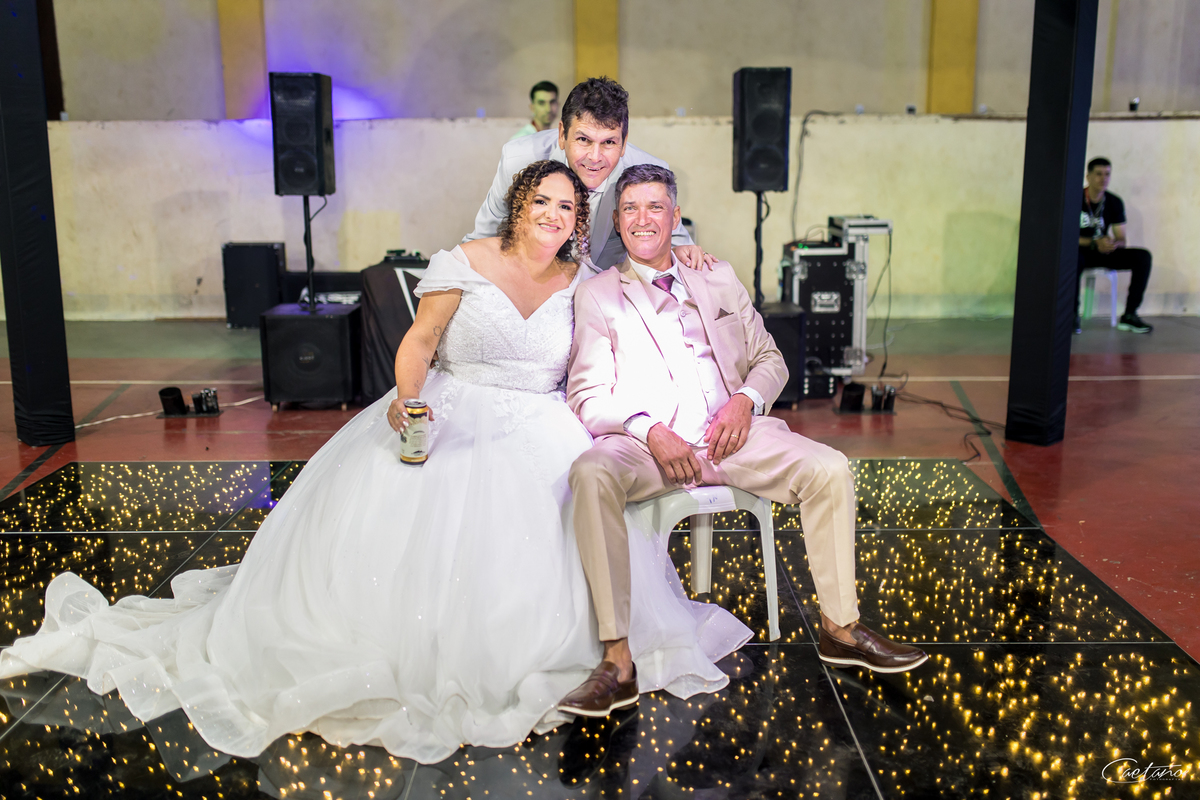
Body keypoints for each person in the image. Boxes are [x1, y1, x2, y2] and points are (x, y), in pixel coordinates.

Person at [0, 161, 750, 764]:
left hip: (544, 425)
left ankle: (594, 653)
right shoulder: (466, 262)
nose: (554, 215)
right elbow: (421, 341)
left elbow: (647, 282)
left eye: (567, 207)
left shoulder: (583, 282)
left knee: (561, 527)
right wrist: (408, 398)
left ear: (578, 222)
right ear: (519, 206)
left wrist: (685, 249)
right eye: (542, 202)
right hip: (449, 410)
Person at [557, 165, 928, 716]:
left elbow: (770, 359)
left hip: (734, 438)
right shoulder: (597, 294)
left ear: (675, 217)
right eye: (630, 208)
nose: (642, 219)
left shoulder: (716, 276)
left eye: (655, 207)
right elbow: (586, 394)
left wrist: (745, 401)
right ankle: (617, 661)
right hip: (650, 448)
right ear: (617, 220)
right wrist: (649, 429)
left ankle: (841, 630)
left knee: (829, 468)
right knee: (590, 473)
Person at [466, 76, 713, 270]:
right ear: (562, 134)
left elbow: (673, 240)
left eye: (609, 142)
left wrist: (682, 252)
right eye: (583, 139)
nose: (595, 157)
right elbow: (484, 237)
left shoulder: (647, 174)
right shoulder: (518, 160)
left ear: (624, 143)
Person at [1075, 157, 1153, 334]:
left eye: (1107, 174)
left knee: (1143, 257)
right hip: (1081, 251)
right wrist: (1094, 242)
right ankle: (1071, 316)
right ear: (1088, 176)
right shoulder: (1075, 199)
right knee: (1072, 260)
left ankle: (1130, 315)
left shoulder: (1113, 201)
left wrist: (1112, 244)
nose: (1104, 179)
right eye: (1099, 174)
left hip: (1103, 251)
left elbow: (1121, 238)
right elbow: (1066, 238)